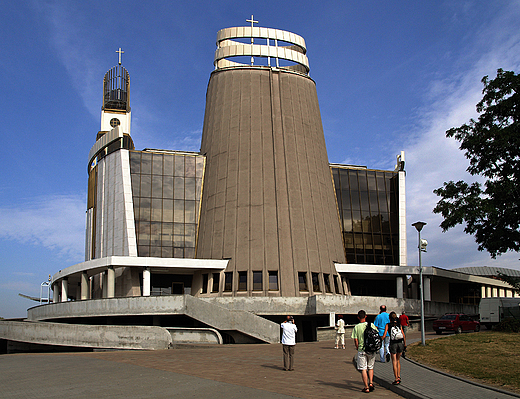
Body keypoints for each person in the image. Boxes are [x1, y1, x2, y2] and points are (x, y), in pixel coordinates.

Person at [351, 310, 377, 393]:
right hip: (371, 349)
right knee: (371, 367)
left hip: (362, 349)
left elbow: (355, 339)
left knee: (363, 369)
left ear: (358, 317)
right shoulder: (371, 325)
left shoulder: (356, 327)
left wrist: (357, 347)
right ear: (366, 316)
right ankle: (371, 383)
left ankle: (366, 387)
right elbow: (376, 334)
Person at [382, 311, 406, 385]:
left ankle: (396, 379)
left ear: (389, 318)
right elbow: (403, 335)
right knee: (398, 360)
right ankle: (399, 376)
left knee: (394, 361)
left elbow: (384, 334)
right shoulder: (399, 325)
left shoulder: (388, 325)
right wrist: (405, 345)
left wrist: (380, 340)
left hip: (393, 344)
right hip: (400, 343)